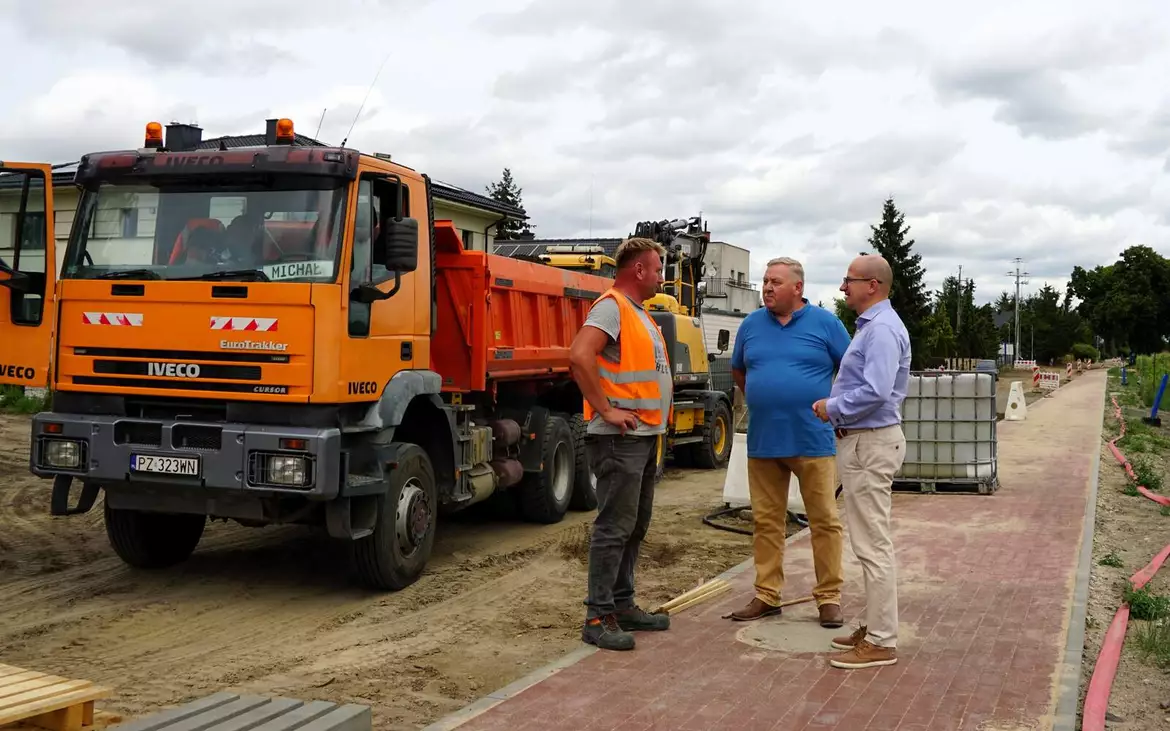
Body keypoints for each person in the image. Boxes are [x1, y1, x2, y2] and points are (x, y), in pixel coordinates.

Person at [726, 257, 852, 627]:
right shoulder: (750, 326)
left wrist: (840, 410)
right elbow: (738, 370)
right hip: (764, 441)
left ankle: (829, 598)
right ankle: (767, 594)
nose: (766, 287)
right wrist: (764, 399)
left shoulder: (826, 323)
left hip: (812, 440)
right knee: (766, 522)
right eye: (764, 281)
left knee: (825, 521)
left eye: (775, 282)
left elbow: (851, 369)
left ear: (797, 288)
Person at [568, 236, 674, 652]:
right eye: (659, 268)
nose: (663, 276)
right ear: (639, 271)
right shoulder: (611, 306)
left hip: (643, 436)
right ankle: (597, 616)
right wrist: (606, 410)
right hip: (620, 439)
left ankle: (623, 603)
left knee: (634, 524)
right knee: (613, 527)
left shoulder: (639, 313)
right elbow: (579, 356)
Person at [812, 254, 911, 670]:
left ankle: (883, 640)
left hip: (870, 444)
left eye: (849, 280)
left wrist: (832, 407)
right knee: (868, 542)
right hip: (864, 444)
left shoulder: (883, 330)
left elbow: (875, 390)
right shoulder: (874, 327)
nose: (842, 287)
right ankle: (872, 626)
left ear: (872, 284)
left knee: (872, 545)